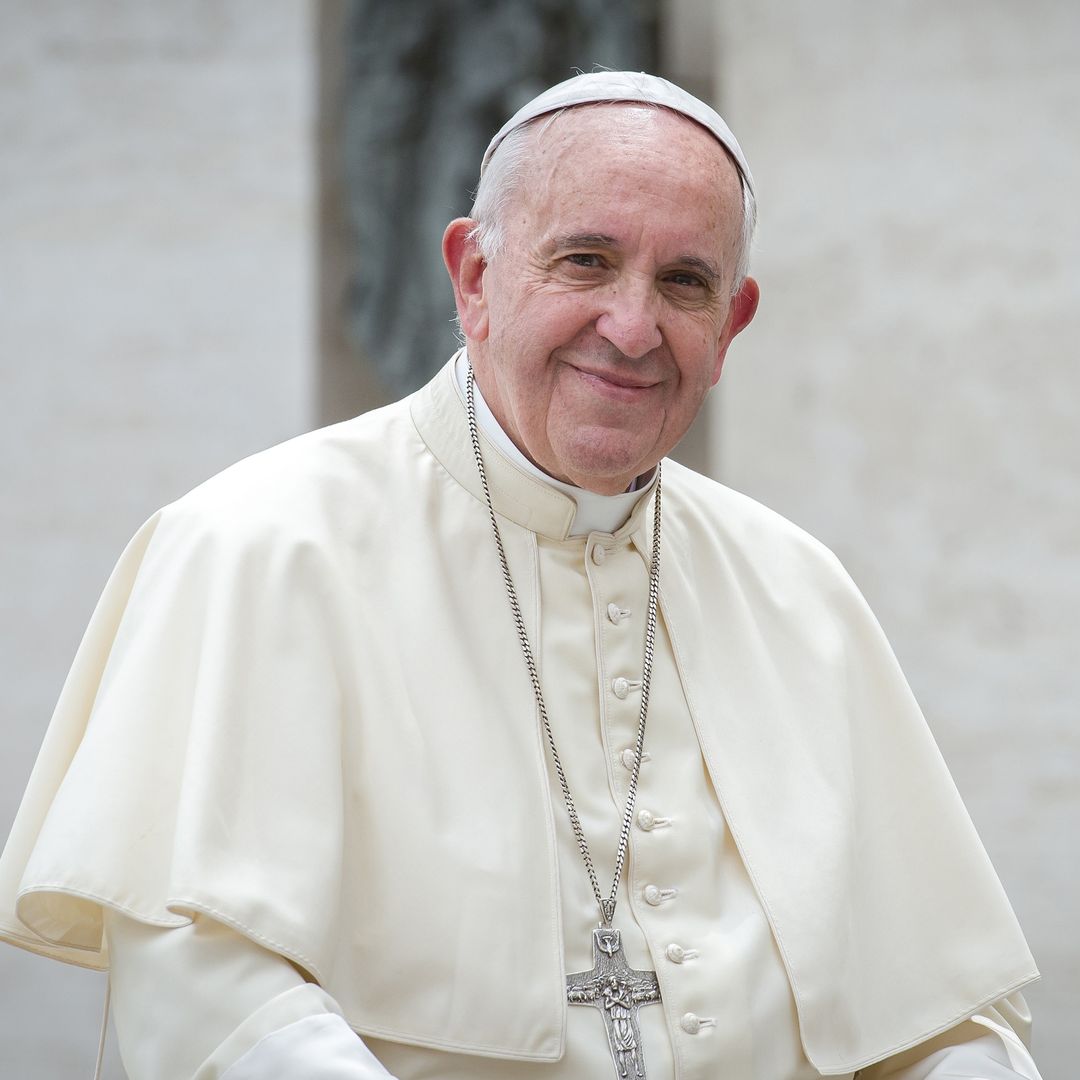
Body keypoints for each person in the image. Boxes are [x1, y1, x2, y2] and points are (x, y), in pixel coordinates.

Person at [0, 71, 1041, 1080]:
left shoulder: (799, 592)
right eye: (585, 262)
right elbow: (209, 991)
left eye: (685, 282)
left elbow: (945, 1024)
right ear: (474, 278)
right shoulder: (258, 547)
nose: (632, 330)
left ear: (731, 327)